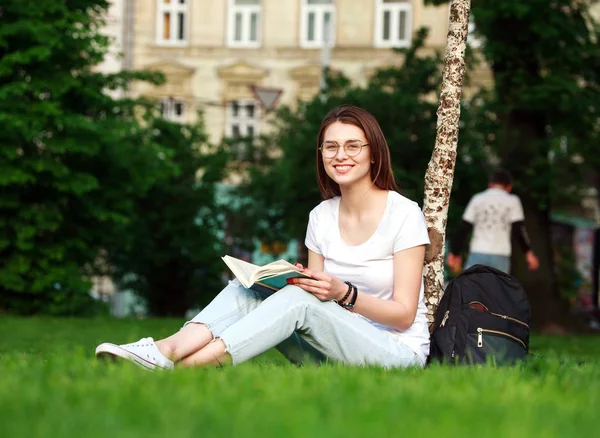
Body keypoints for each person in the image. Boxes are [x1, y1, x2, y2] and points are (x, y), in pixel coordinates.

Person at [95, 105, 431, 370]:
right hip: (328, 353)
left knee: (298, 301)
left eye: (352, 145)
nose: (340, 155)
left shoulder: (403, 213)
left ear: (373, 153)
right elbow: (317, 300)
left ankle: (183, 368)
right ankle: (164, 350)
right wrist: (296, 282)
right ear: (321, 154)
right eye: (331, 146)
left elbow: (403, 314)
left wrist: (343, 292)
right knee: (247, 287)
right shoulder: (321, 216)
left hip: (395, 355)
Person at [447, 170, 539, 274]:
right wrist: (529, 254)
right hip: (501, 254)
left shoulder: (477, 199)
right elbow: (519, 230)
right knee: (497, 289)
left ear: (490, 185)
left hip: (478, 252)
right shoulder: (513, 201)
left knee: (471, 288)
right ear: (509, 187)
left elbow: (464, 227)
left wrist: (454, 252)